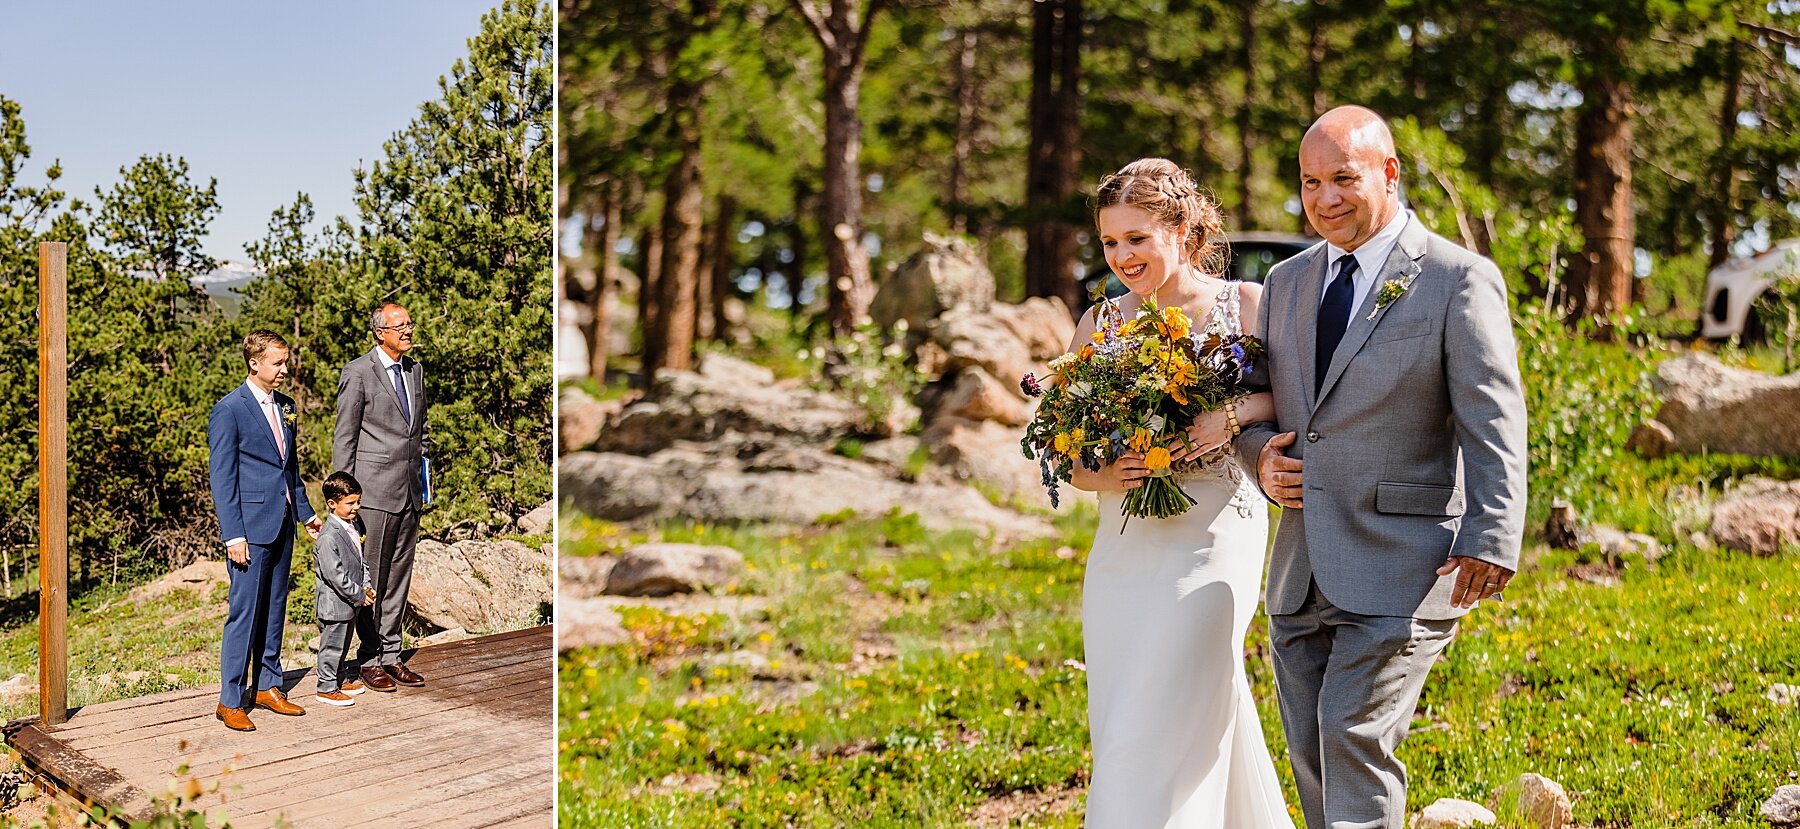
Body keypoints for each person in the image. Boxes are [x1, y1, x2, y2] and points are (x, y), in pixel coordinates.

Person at [1232, 105, 1527, 828]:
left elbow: (1494, 416)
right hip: (1300, 568)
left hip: (1405, 562)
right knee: (1310, 748)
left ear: (1388, 173)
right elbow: (1254, 397)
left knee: (1352, 736)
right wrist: (1257, 455)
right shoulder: (1290, 280)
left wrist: (1491, 533)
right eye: (1310, 182)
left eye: (1343, 178)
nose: (1325, 198)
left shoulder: (1458, 278)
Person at [1066, 158, 1294, 828]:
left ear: (1183, 227)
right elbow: (1069, 458)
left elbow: (1300, 396)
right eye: (1110, 243)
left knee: (1159, 711)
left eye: (1137, 238)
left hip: (1218, 530)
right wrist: (1110, 473)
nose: (1122, 256)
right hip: (1125, 547)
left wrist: (1229, 415)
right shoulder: (1098, 325)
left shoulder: (1244, 304)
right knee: (1140, 716)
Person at [209, 329, 322, 731]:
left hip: (283, 523)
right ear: (254, 362)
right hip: (249, 530)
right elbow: (222, 477)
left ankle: (269, 685)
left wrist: (306, 513)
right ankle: (231, 699)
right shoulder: (230, 409)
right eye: (277, 363)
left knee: (275, 608)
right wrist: (232, 535)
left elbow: (288, 468)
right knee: (244, 613)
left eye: (285, 362)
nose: (284, 370)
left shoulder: (287, 407)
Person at [333, 301, 430, 692]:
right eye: (399, 326)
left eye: (409, 323)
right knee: (370, 579)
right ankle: (369, 658)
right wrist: (344, 498)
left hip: (409, 493)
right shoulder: (358, 373)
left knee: (399, 579)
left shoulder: (415, 370)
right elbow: (345, 438)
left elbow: (420, 434)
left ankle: (392, 654)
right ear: (380, 333)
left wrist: (424, 485)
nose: (407, 331)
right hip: (371, 494)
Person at [313, 471, 377, 707]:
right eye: (350, 503)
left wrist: (366, 585)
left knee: (342, 644)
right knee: (331, 647)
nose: (356, 507)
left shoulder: (353, 526)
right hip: (334, 605)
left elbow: (361, 561)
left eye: (358, 502)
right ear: (332, 504)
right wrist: (360, 595)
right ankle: (326, 687)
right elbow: (336, 576)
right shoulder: (329, 537)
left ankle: (339, 679)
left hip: (349, 603)